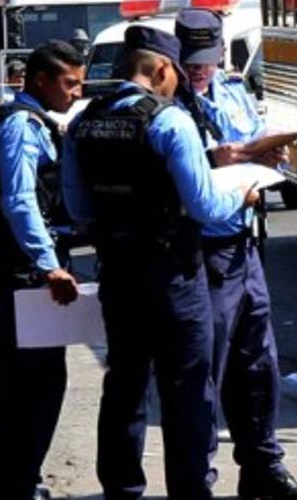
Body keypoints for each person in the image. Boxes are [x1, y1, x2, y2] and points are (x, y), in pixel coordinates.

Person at [62, 25, 256, 499]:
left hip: (118, 273)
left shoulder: (84, 122)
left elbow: (79, 209)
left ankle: (122, 489)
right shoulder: (171, 122)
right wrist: (244, 194)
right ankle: (189, 491)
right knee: (186, 389)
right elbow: (206, 207)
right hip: (173, 277)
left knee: (125, 385)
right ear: (163, 69)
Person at [174, 8, 297, 499]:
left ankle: (262, 466)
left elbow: (256, 142)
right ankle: (199, 480)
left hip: (244, 242)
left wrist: (271, 155)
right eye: (190, 60)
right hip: (199, 248)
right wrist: (216, 160)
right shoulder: (169, 107)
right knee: (204, 370)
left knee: (258, 362)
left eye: (206, 59)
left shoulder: (233, 92)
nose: (199, 69)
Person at [0, 41, 84, 500]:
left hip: (24, 268)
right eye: (69, 83)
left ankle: (15, 481)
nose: (76, 93)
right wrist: (49, 266)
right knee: (33, 385)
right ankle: (14, 484)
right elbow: (20, 201)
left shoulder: (26, 119)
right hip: (27, 272)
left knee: (27, 382)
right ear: (40, 80)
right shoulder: (22, 125)